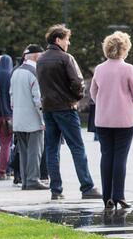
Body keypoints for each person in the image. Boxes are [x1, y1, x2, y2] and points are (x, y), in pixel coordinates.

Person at [36, 24, 101, 201]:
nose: (68, 43)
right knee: (77, 147)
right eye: (67, 39)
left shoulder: (40, 60)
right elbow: (78, 83)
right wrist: (76, 97)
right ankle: (87, 186)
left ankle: (56, 189)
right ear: (58, 40)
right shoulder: (66, 58)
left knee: (51, 149)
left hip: (48, 108)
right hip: (66, 107)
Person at [91, 31, 133, 209]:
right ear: (125, 49)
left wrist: (102, 103)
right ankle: (119, 195)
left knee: (106, 155)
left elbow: (93, 93)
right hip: (124, 119)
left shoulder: (99, 69)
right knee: (121, 157)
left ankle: (107, 196)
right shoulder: (129, 69)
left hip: (103, 119)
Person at [10, 45, 50, 190]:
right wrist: (43, 119)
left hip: (19, 119)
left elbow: (12, 97)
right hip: (33, 119)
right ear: (37, 56)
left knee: (24, 151)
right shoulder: (35, 72)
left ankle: (26, 180)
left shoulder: (16, 72)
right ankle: (33, 179)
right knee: (35, 150)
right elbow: (38, 99)